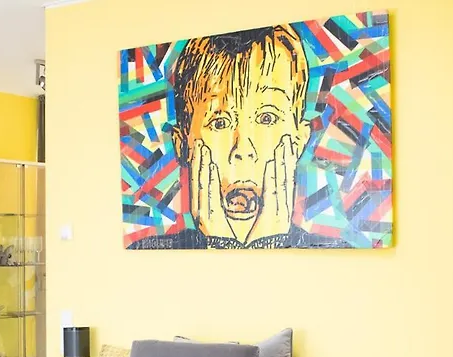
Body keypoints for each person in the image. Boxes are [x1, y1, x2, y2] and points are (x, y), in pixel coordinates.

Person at [130, 25, 348, 249]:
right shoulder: (147, 252)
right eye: (220, 123)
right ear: (182, 144)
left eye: (267, 118)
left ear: (299, 139)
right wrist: (218, 243)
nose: (243, 149)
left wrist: (269, 243)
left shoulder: (335, 253)